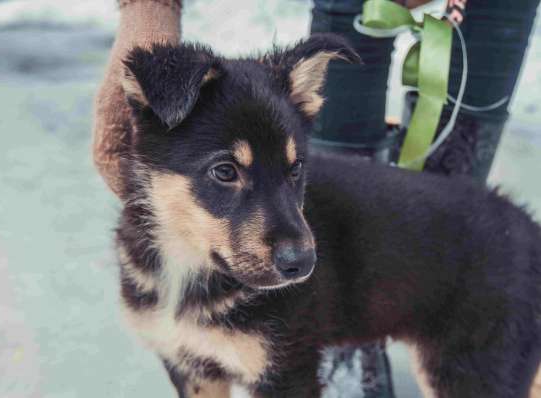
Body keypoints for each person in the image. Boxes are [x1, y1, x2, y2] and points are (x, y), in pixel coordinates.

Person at [92, 0, 541, 396]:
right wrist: (148, 8)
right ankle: (356, 370)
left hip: (481, 274)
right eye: (226, 173)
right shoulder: (148, 278)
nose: (295, 245)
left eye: (293, 174)